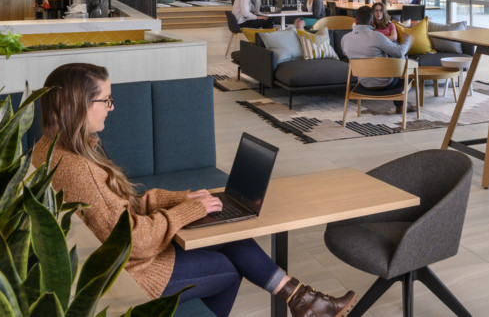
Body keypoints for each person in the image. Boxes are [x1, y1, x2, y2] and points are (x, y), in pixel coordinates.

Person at [32, 63, 357, 317]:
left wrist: (183, 199)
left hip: (120, 264)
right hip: (130, 275)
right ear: (79, 105)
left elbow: (122, 209)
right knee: (230, 270)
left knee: (228, 232)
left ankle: (304, 300)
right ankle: (306, 302)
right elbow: (132, 242)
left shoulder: (53, 149)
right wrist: (188, 211)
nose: (111, 108)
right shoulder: (77, 169)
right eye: (106, 100)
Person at [340, 6, 414, 114]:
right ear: (371, 22)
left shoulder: (345, 39)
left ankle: (401, 106)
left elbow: (347, 54)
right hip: (386, 84)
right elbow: (399, 52)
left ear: (354, 20)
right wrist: (408, 40)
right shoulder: (376, 36)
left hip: (364, 84)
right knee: (403, 64)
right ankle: (402, 105)